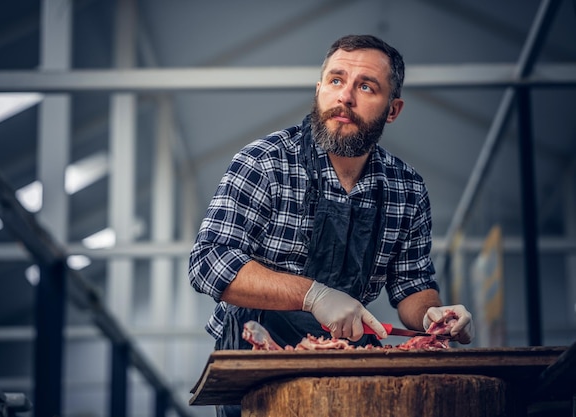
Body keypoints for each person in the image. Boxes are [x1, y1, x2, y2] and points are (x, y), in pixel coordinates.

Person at [188, 34, 474, 416]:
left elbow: (411, 284)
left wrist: (432, 316)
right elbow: (208, 263)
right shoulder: (264, 163)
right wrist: (314, 296)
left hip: (350, 369)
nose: (346, 97)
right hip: (258, 370)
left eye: (366, 86)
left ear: (393, 109)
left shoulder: (406, 188)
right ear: (319, 88)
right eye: (336, 80)